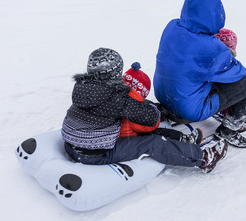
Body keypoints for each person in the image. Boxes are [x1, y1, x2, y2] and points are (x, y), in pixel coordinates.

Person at [61, 47, 227, 173]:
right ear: (116, 73)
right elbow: (149, 118)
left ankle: (183, 141)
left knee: (132, 130)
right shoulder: (116, 97)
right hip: (96, 154)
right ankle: (203, 158)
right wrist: (154, 108)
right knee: (151, 143)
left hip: (71, 146)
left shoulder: (83, 88)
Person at [153, 0, 246, 148]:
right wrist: (227, 53)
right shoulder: (212, 48)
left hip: (163, 96)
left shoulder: (171, 26)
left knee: (200, 73)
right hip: (188, 111)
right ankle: (228, 130)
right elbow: (239, 73)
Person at [120, 61, 203, 145]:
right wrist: (157, 117)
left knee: (146, 105)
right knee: (157, 133)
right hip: (126, 140)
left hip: (121, 132)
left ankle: (165, 114)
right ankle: (186, 141)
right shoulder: (131, 112)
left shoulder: (119, 97)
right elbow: (150, 126)